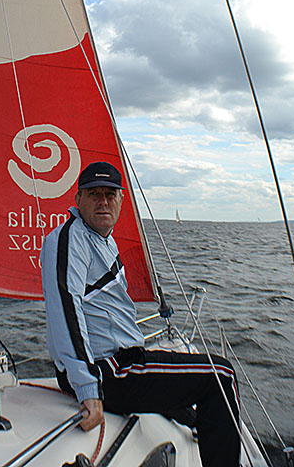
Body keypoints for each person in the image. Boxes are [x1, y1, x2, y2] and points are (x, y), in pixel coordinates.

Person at [41, 161, 241, 467]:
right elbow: (66, 309)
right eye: (94, 194)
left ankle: (188, 416)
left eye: (110, 194)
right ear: (78, 199)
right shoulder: (69, 238)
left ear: (121, 200)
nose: (103, 201)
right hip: (108, 371)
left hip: (124, 361)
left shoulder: (102, 240)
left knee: (193, 401)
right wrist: (88, 389)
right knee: (221, 376)